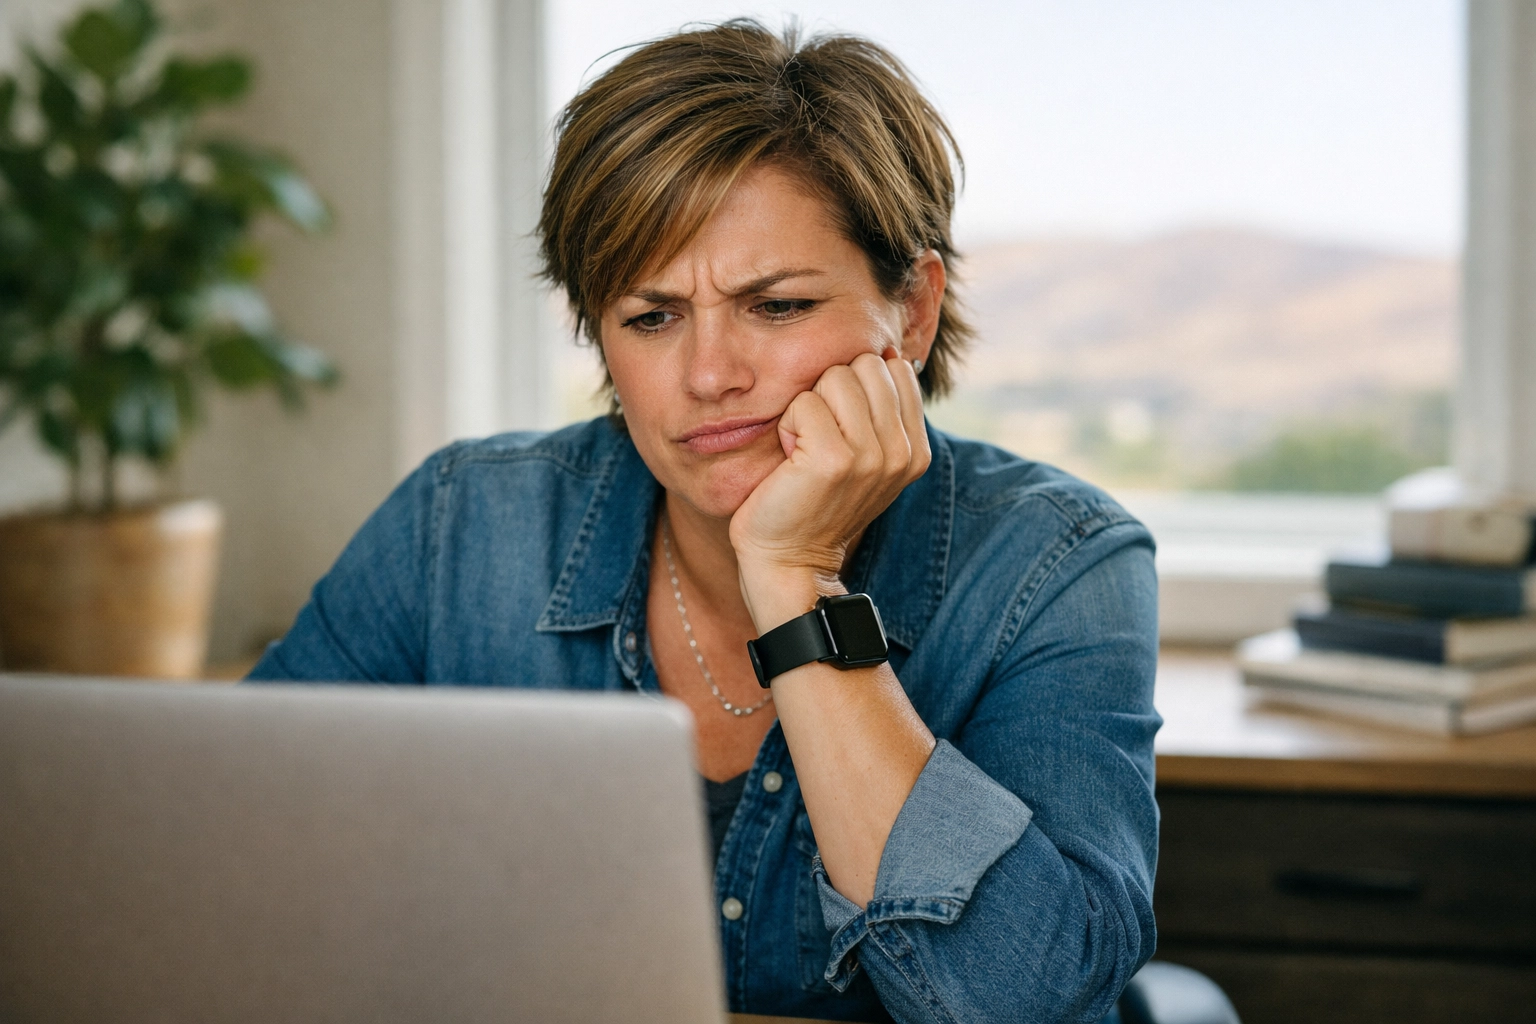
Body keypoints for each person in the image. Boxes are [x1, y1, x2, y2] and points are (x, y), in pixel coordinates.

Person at [250, 20, 1159, 1024]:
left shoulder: (1060, 562)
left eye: (775, 305)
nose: (709, 375)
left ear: (912, 309)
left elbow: (1019, 1004)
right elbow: (228, 872)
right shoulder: (461, 524)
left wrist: (797, 578)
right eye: (651, 316)